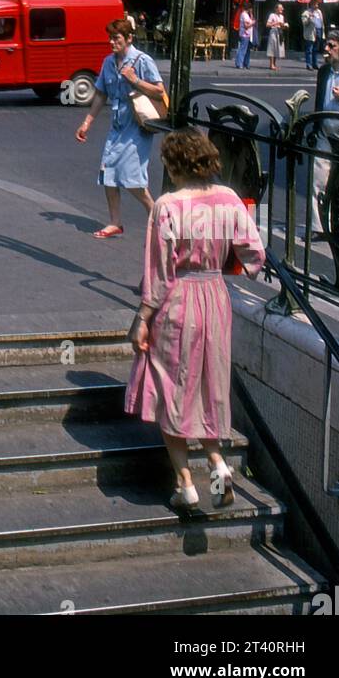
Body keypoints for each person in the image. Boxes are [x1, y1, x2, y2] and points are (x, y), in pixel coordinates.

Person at [125, 129, 265, 510]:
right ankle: (218, 464)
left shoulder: (167, 206)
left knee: (172, 386)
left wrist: (142, 317)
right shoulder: (229, 199)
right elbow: (254, 255)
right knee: (209, 385)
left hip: (178, 299)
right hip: (215, 298)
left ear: (173, 164)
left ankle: (185, 483)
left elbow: (158, 273)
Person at [75, 18, 166, 238]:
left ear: (129, 39)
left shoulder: (142, 61)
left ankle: (158, 217)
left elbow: (159, 92)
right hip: (117, 127)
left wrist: (135, 80)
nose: (112, 42)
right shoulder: (108, 62)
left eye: (116, 38)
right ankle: (115, 222)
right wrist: (87, 122)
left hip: (137, 126)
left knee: (132, 177)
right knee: (108, 172)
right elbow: (101, 94)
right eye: (110, 38)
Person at [311, 29, 339, 239]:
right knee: (318, 180)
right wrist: (315, 127)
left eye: (331, 46)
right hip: (324, 135)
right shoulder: (324, 71)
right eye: (326, 45)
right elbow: (318, 102)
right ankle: (319, 227)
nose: (326, 50)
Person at [301, 0, 323, 70]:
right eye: (315, 4)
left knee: (316, 49)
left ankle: (315, 64)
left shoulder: (319, 12)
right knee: (309, 49)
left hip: (319, 30)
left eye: (317, 4)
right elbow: (304, 23)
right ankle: (309, 64)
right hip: (311, 32)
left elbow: (321, 22)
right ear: (312, 4)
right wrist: (310, 18)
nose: (317, 5)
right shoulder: (306, 13)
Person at [265, 3, 286, 72]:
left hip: (279, 33)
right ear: (276, 9)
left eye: (282, 8)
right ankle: (271, 64)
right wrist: (275, 23)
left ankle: (274, 64)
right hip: (273, 32)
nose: (282, 9)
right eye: (280, 8)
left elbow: (282, 26)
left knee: (277, 48)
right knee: (272, 48)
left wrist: (284, 25)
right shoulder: (272, 15)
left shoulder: (282, 16)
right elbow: (267, 25)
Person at [234, 1, 254, 69]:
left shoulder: (247, 14)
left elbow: (251, 20)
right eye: (251, 8)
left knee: (247, 50)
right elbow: (246, 26)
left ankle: (246, 64)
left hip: (248, 35)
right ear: (248, 8)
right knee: (243, 49)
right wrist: (252, 23)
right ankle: (239, 64)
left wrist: (251, 14)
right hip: (244, 35)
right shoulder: (244, 14)